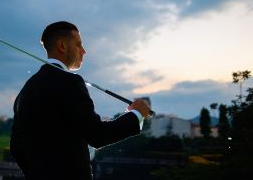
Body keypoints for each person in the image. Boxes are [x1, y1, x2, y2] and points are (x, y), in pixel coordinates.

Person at [10, 21, 150, 180]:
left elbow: (16, 148)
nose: (84, 51)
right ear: (62, 45)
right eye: (78, 45)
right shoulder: (70, 82)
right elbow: (98, 135)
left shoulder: (26, 90)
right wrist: (136, 115)